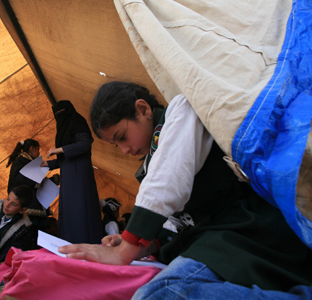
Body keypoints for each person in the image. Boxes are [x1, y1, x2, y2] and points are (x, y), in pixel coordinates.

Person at [59, 81, 312, 298]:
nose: (124, 150)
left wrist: (127, 248)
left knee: (159, 295)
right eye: (116, 146)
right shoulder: (148, 167)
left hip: (245, 228)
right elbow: (179, 222)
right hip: (213, 238)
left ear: (143, 109)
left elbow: (170, 177)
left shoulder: (182, 109)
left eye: (122, 136)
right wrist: (147, 245)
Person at [41, 100, 103, 244]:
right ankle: (69, 245)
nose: (59, 117)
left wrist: (59, 150)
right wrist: (47, 164)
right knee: (69, 214)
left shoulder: (77, 122)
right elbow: (64, 161)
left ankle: (84, 245)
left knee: (80, 211)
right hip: (68, 179)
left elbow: (85, 144)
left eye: (60, 113)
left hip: (79, 178)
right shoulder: (65, 131)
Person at [6, 139, 47, 229]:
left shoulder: (28, 163)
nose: (39, 153)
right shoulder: (20, 161)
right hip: (26, 204)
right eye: (38, 150)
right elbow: (19, 179)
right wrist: (35, 182)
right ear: (32, 148)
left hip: (33, 203)